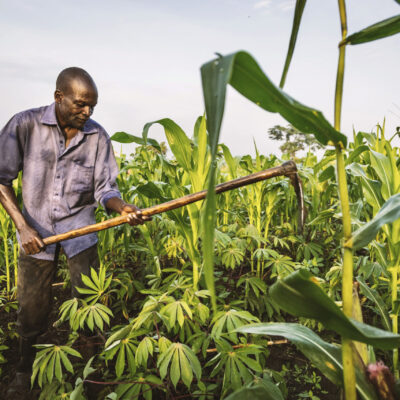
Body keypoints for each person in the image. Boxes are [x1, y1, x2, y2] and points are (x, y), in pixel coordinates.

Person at [0, 67, 149, 397]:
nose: (87, 112)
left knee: (89, 306)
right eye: (81, 104)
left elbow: (105, 189)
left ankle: (90, 373)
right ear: (59, 97)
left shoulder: (97, 137)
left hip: (81, 233)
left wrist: (122, 208)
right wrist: (22, 228)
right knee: (31, 308)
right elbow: (1, 178)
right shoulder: (25, 125)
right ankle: (25, 372)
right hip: (36, 237)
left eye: (92, 106)